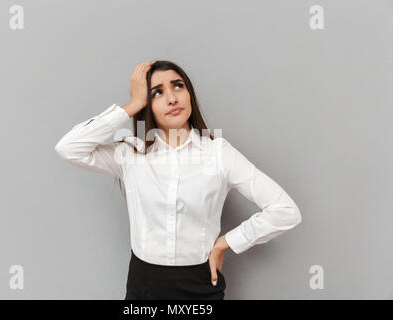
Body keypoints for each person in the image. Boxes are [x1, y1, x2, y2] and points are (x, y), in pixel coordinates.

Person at [54, 60, 302, 300]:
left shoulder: (219, 153)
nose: (172, 98)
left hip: (201, 286)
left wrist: (226, 243)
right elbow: (69, 148)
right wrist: (132, 104)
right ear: (147, 104)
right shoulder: (131, 153)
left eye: (178, 86)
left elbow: (285, 210)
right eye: (157, 92)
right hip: (144, 286)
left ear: (189, 94)